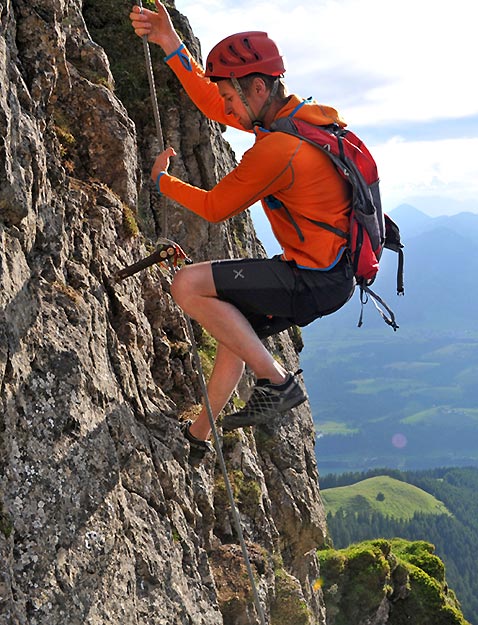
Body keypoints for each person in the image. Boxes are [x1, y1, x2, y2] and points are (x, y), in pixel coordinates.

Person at [129, 1, 356, 465]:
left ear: (256, 87)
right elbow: (214, 102)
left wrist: (162, 183)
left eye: (234, 99)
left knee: (186, 284)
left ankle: (275, 381)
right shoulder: (294, 118)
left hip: (310, 279)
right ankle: (197, 436)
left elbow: (215, 208)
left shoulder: (279, 150)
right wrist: (171, 44)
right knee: (236, 326)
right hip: (329, 275)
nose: (228, 110)